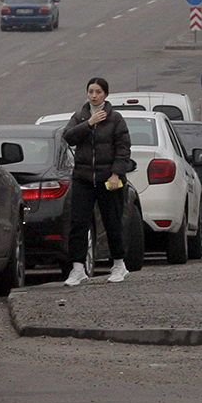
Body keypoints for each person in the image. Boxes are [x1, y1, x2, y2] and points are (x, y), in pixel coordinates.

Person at [61, 76, 134, 285]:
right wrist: (89, 124)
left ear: (105, 95)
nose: (94, 96)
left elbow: (123, 148)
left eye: (98, 92)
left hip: (108, 179)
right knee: (78, 223)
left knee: (112, 221)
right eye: (91, 91)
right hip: (83, 178)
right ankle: (77, 268)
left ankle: (119, 264)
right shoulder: (80, 116)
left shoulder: (116, 119)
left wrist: (115, 174)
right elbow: (68, 137)